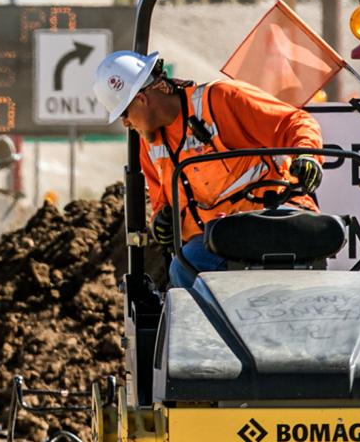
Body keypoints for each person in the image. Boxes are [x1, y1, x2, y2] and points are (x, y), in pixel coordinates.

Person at [93, 50, 324, 289]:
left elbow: (295, 122)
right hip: (220, 240)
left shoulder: (221, 100)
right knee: (185, 267)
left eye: (124, 113)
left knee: (191, 264)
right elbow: (163, 202)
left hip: (274, 215)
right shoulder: (149, 147)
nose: (126, 123)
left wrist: (307, 154)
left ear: (142, 99)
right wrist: (162, 221)